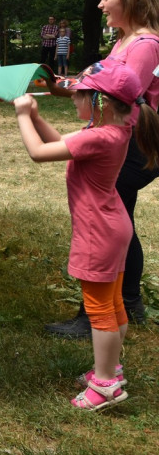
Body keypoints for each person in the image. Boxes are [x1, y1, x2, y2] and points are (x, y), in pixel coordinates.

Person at [14, 61, 159, 409]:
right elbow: (62, 143)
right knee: (113, 303)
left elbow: (38, 153)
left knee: (99, 308)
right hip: (113, 225)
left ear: (101, 101)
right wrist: (36, 118)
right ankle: (110, 368)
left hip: (98, 231)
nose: (74, 99)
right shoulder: (115, 129)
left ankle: (105, 385)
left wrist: (22, 115)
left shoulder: (100, 136)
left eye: (80, 94)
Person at [47, 0, 159, 338]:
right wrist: (61, 84)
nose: (100, 4)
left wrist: (95, 133)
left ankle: (100, 313)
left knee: (107, 219)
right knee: (117, 216)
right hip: (122, 139)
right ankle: (126, 303)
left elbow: (120, 97)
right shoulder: (125, 41)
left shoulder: (145, 45)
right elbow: (100, 83)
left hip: (133, 143)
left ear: (132, 1)